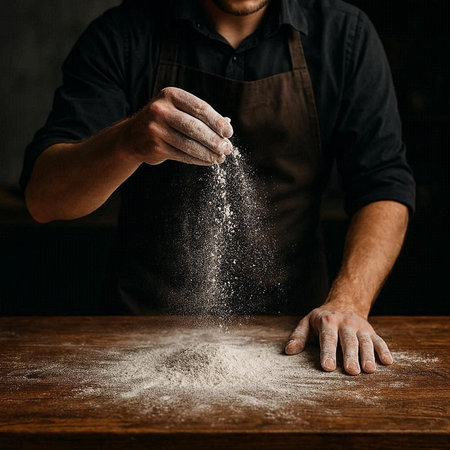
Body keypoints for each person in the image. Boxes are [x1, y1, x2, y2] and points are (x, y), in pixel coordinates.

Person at [21, 0, 415, 375]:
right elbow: (44, 200)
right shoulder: (122, 34)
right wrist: (128, 141)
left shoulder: (343, 34)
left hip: (300, 336)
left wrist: (349, 302)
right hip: (137, 336)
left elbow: (384, 186)